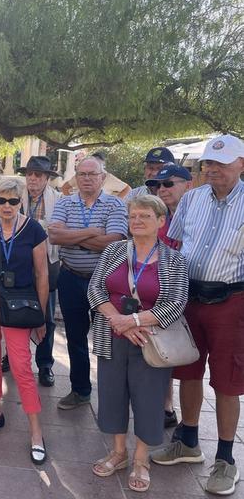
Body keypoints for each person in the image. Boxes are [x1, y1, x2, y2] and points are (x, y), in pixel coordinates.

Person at [150, 135, 244, 496]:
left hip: (232, 301)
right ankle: (188, 439)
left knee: (227, 380)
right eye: (208, 163)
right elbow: (172, 246)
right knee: (187, 369)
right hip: (188, 296)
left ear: (241, 164)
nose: (213, 169)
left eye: (222, 163)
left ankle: (225, 458)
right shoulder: (191, 199)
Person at [87, 195, 188, 493]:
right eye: (132, 216)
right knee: (112, 394)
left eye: (144, 216)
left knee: (148, 399)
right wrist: (117, 320)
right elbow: (95, 288)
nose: (137, 221)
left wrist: (133, 322)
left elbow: (176, 303)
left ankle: (141, 459)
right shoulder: (115, 250)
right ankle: (118, 453)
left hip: (152, 341)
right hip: (111, 334)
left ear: (160, 222)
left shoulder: (174, 259)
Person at [0, 177, 49, 463]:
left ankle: (36, 431)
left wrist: (41, 317)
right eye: (1, 200)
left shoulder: (33, 230)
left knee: (20, 367)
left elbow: (42, 275)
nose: (7, 206)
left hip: (19, 308)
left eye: (13, 201)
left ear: (21, 202)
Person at [49, 156, 128, 409]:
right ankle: (80, 390)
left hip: (105, 282)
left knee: (108, 339)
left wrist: (71, 238)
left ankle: (111, 395)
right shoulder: (65, 202)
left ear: (102, 177)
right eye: (81, 174)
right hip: (71, 278)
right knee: (75, 337)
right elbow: (54, 235)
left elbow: (114, 242)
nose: (86, 179)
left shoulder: (115, 204)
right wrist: (94, 232)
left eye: (92, 174)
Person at [145, 163, 193, 427]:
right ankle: (165, 406)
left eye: (168, 184)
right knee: (162, 348)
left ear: (189, 184)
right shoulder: (158, 218)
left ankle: (189, 424)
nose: (161, 189)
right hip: (162, 293)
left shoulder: (196, 215)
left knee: (186, 355)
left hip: (196, 292)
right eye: (156, 185)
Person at [17, 155, 62, 387]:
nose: (33, 179)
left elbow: (58, 228)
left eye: (38, 175)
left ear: (47, 178)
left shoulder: (59, 200)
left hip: (47, 261)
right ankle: (14, 358)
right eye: (30, 174)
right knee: (14, 311)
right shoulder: (16, 195)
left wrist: (33, 227)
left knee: (46, 316)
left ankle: (45, 365)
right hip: (19, 262)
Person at [144, 164, 193, 251]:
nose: (161, 189)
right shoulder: (155, 217)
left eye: (168, 184)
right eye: (158, 186)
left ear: (188, 186)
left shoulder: (200, 217)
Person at [61, 152, 131, 199]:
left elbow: (127, 189)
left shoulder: (108, 178)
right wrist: (71, 203)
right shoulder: (80, 176)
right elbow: (65, 188)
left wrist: (114, 203)